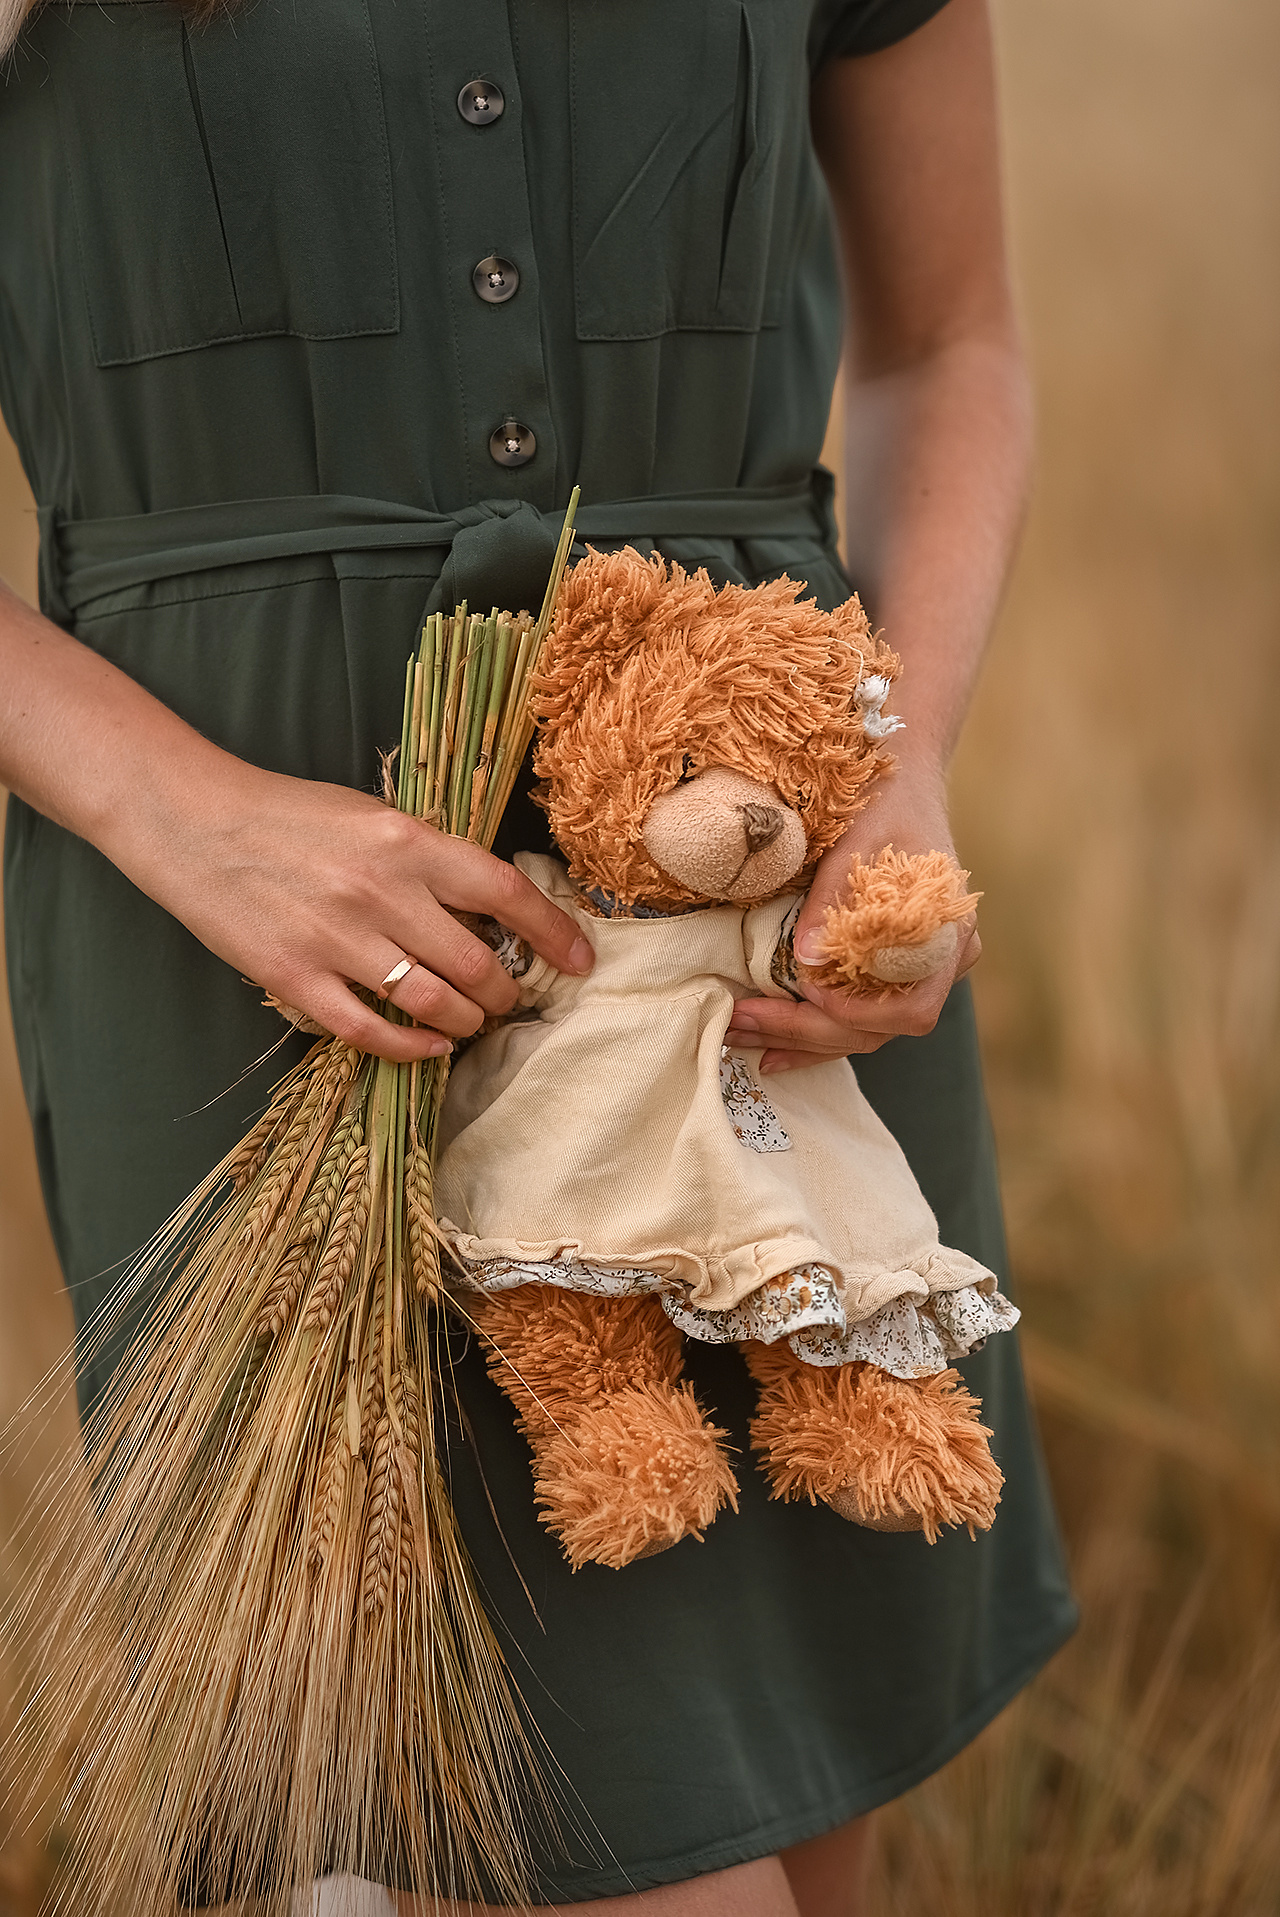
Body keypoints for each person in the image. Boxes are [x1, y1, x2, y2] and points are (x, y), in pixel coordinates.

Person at [0, 0, 1075, 1910]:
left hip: (770, 894)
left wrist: (895, 778)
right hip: (267, 943)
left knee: (812, 1824)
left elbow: (950, 339)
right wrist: (176, 809)